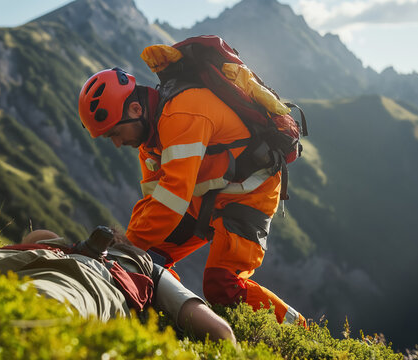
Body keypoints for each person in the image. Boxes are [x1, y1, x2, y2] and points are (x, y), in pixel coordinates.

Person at [78, 67, 306, 326]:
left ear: (136, 110)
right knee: (148, 259)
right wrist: (129, 247)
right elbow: (154, 204)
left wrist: (125, 249)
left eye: (115, 133)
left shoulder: (182, 113)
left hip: (248, 193)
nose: (117, 143)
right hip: (206, 194)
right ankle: (173, 318)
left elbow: (172, 199)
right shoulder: (149, 145)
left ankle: (295, 328)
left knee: (221, 286)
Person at [0, 227, 237, 343]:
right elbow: (221, 332)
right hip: (86, 286)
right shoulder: (148, 270)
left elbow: (38, 235)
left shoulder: (60, 245)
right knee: (43, 311)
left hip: (17, 263)